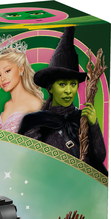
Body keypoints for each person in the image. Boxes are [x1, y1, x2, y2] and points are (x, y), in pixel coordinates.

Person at [18, 27, 107, 176]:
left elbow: (99, 158)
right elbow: (29, 164)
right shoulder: (34, 122)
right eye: (62, 84)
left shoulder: (82, 117)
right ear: (50, 88)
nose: (68, 91)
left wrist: (93, 124)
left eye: (73, 84)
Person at [0, 36, 43, 132]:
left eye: (7, 71)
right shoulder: (7, 105)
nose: (2, 78)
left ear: (21, 69)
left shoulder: (34, 103)